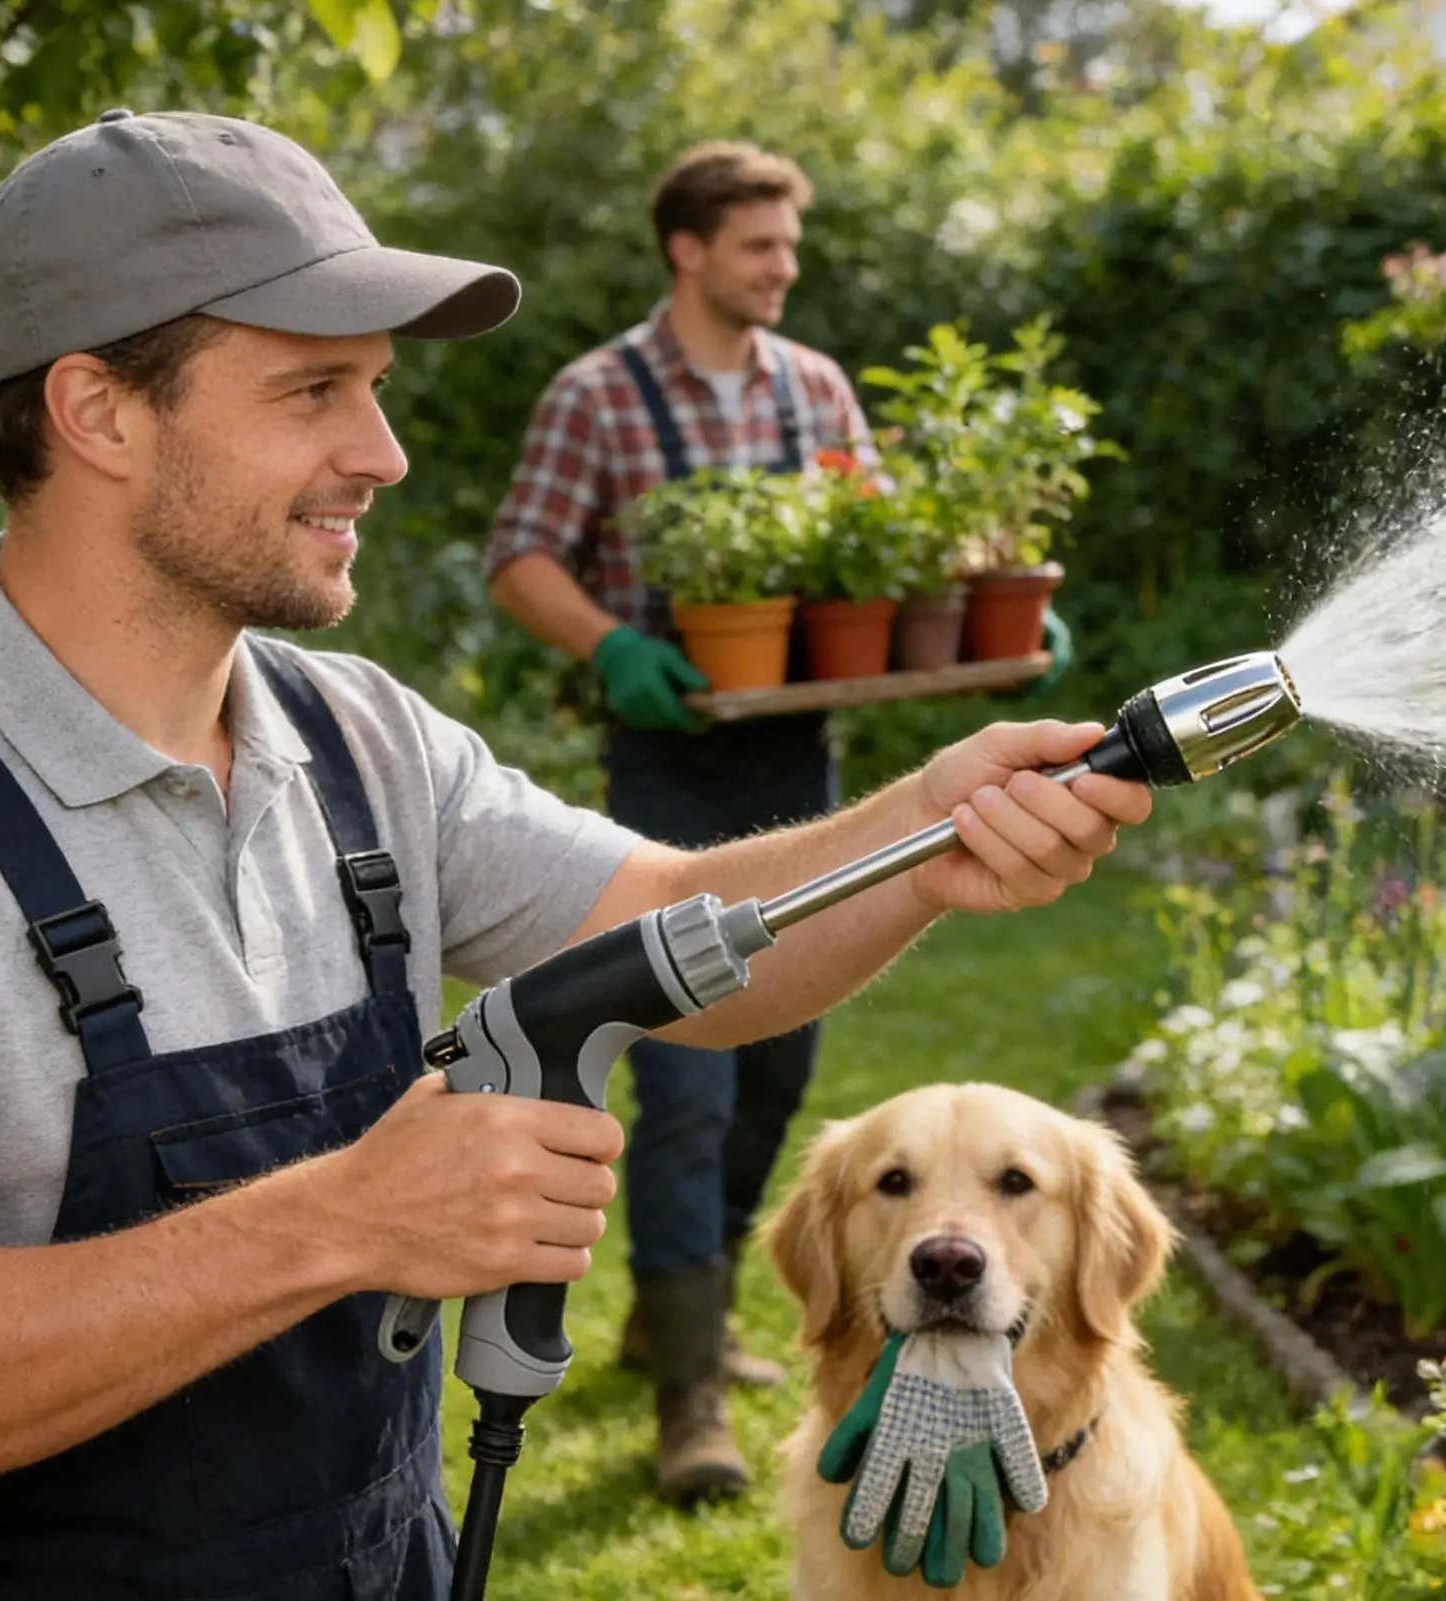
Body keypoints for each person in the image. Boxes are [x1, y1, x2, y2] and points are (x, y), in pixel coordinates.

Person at [0, 108, 1151, 1601]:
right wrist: (342, 1221)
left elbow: (671, 928)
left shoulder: (359, 740)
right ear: (98, 412)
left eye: (377, 389)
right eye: (313, 390)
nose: (384, 455)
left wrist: (924, 833)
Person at [482, 142, 879, 1502]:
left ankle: (675, 1312)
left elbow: (878, 546)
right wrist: (610, 646)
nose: (783, 268)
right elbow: (521, 554)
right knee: (690, 1085)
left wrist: (980, 603)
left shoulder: (816, 387)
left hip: (798, 757)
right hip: (668, 771)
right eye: (760, 245)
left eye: (789, 245)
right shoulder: (599, 394)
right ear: (688, 250)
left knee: (778, 1066)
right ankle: (690, 1403)